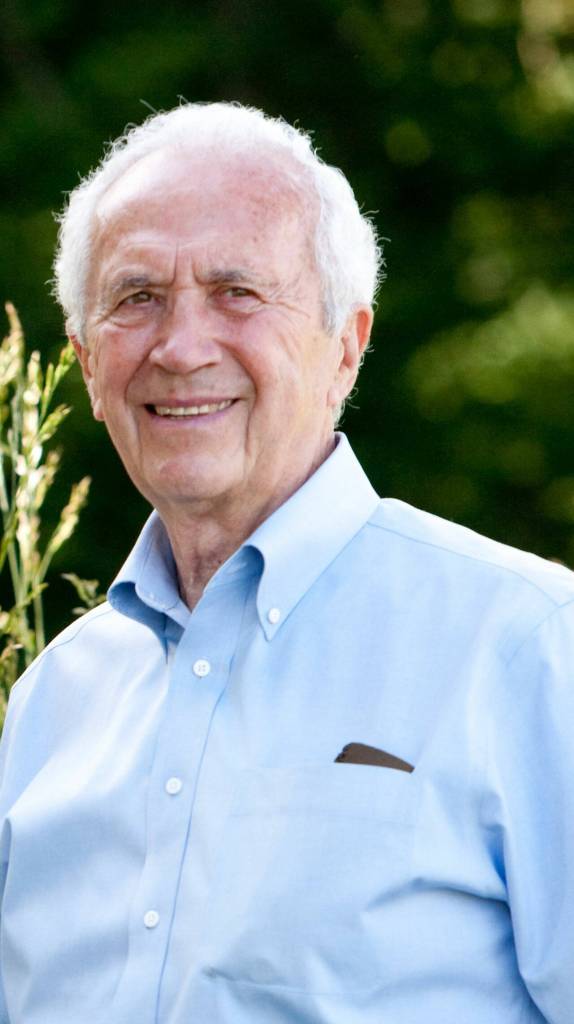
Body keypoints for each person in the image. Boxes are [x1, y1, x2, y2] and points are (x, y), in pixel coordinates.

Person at [0, 101, 572, 1024]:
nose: (181, 348)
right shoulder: (52, 704)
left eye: (237, 291)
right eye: (137, 298)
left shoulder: (530, 647)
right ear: (86, 363)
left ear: (347, 346)